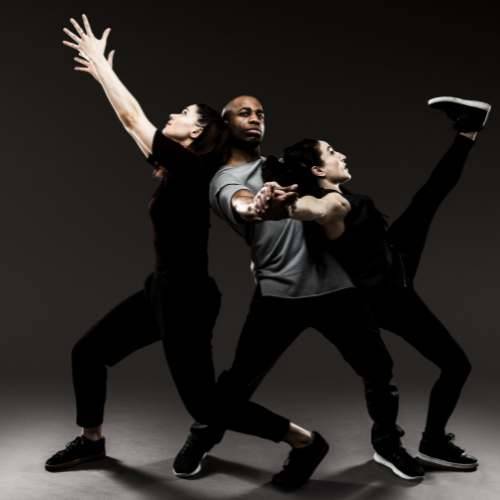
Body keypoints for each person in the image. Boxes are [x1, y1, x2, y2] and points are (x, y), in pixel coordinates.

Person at [47, 15, 316, 476]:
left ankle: (303, 441)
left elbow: (133, 119)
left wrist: (101, 66)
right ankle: (91, 442)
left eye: (183, 112)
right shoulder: (178, 168)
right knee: (88, 353)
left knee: (205, 404)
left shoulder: (194, 170)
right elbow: (134, 129)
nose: (172, 115)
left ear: (196, 132)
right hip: (162, 289)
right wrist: (102, 75)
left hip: (187, 298)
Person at [175, 95, 426, 485]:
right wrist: (258, 204)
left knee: (379, 371)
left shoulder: (283, 165)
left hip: (336, 290)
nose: (255, 118)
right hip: (279, 296)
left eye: (260, 113)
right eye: (244, 113)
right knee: (238, 382)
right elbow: (240, 203)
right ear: (225, 124)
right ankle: (202, 437)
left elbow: (328, 196)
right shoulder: (224, 178)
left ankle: (388, 444)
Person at [261, 96, 491, 471]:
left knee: (430, 196)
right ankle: (413, 443)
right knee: (448, 366)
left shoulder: (345, 200)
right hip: (384, 294)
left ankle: (468, 128)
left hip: (392, 256)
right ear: (318, 170)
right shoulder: (333, 206)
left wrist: (276, 174)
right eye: (332, 152)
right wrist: (285, 205)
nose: (342, 155)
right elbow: (312, 209)